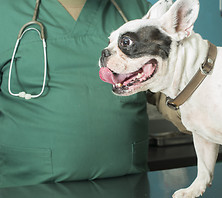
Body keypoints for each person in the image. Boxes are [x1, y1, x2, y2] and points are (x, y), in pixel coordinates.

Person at [0, 0, 152, 187]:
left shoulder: (137, 8)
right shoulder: (5, 12)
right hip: (28, 194)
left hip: (128, 190)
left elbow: (169, 85)